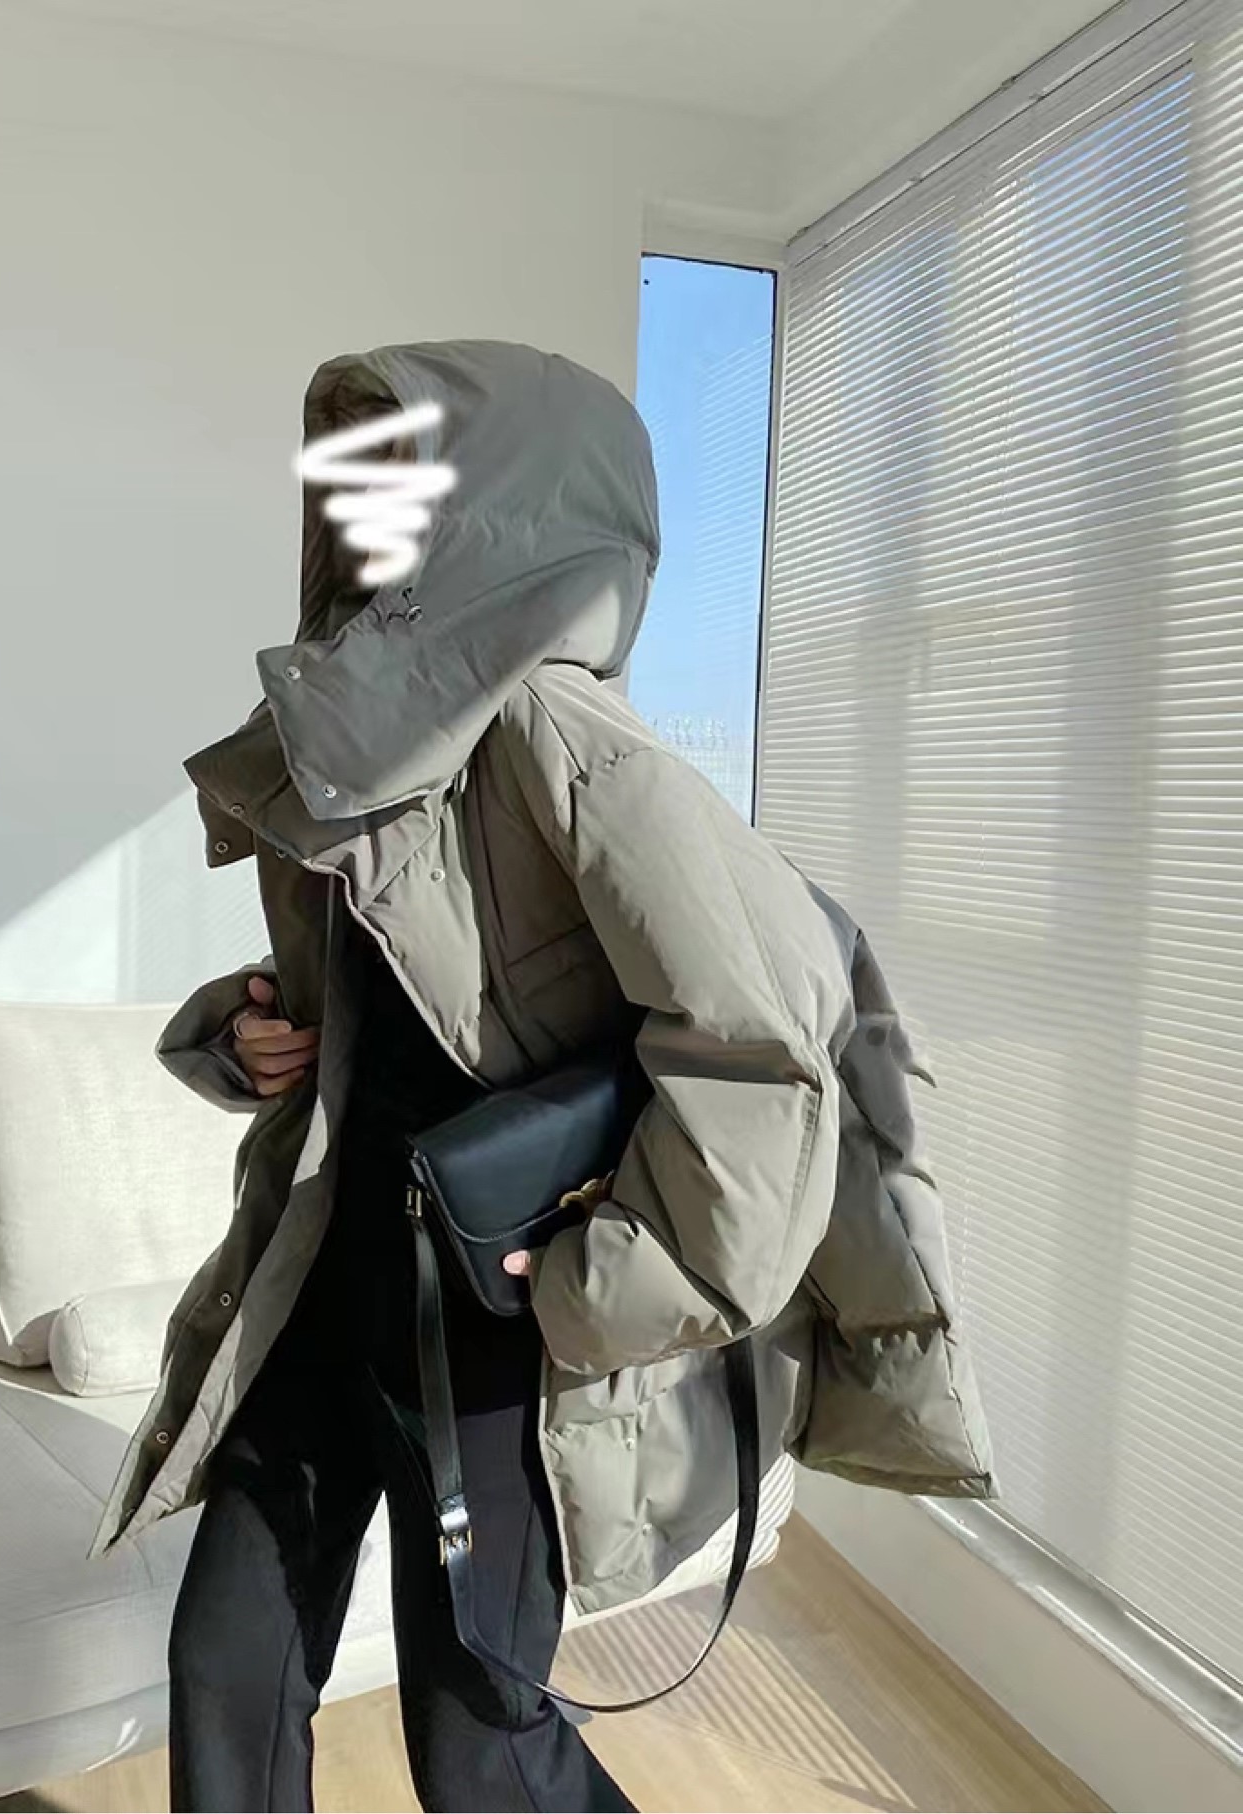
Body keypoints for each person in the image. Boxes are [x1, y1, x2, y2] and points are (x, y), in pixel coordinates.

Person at [87, 340, 996, 1814]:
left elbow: (767, 1052)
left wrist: (591, 1287)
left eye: (399, 475)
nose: (357, 511)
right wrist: (245, 1035)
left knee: (480, 1742)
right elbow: (372, 998)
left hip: (489, 1336)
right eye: (344, 481)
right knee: (229, 1664)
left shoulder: (558, 730)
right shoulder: (360, 729)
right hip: (328, 1279)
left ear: (502, 504)